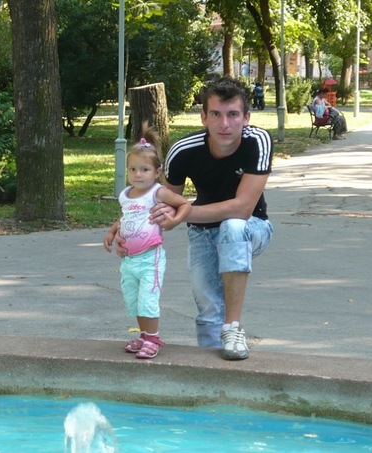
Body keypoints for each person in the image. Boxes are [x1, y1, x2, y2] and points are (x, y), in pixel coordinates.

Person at [152, 76, 274, 360]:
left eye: (233, 115)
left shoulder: (258, 141)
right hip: (202, 232)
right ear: (204, 117)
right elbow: (163, 202)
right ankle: (209, 373)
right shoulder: (184, 150)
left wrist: (184, 212)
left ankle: (233, 328)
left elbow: (243, 208)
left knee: (233, 226)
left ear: (246, 117)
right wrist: (125, 228)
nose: (225, 124)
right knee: (208, 310)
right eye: (216, 114)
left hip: (253, 227)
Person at [103, 128, 191, 359]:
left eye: (144, 170)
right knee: (133, 301)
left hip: (150, 258)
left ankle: (153, 338)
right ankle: (144, 335)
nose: (138, 175)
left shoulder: (158, 192)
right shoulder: (126, 194)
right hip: (129, 260)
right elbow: (126, 217)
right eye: (132, 169)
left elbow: (184, 204)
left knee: (148, 300)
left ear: (157, 172)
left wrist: (174, 221)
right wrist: (112, 231)